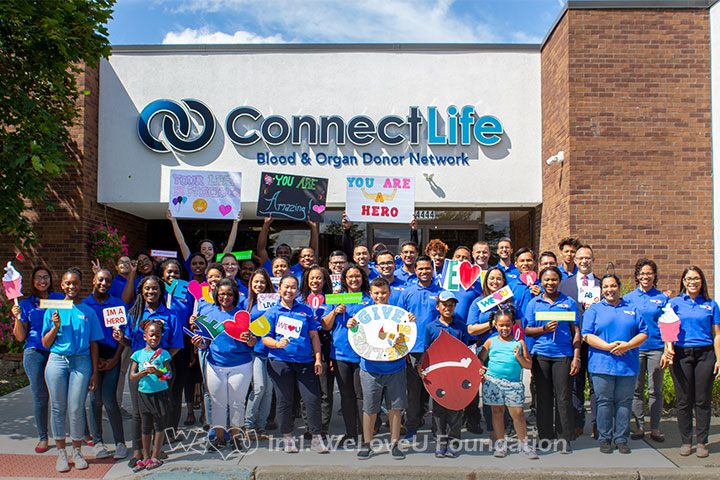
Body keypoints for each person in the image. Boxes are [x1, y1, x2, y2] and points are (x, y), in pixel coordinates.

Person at [113, 275, 182, 468]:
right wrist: (120, 338)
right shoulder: (134, 314)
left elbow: (176, 345)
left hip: (162, 370)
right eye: (147, 289)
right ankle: (138, 451)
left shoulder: (171, 316)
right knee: (138, 412)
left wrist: (161, 360)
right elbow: (129, 342)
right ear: (141, 291)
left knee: (160, 412)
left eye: (155, 289)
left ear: (161, 291)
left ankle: (156, 451)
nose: (151, 292)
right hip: (139, 369)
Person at [41, 268, 103, 472]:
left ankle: (77, 452)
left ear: (81, 285)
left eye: (75, 283)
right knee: (58, 408)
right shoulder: (53, 308)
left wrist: (94, 372)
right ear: (62, 285)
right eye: (68, 283)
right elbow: (46, 342)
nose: (71, 286)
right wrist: (55, 327)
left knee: (76, 408)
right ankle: (61, 453)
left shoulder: (88, 311)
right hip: (57, 360)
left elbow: (94, 343)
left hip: (81, 362)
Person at [262, 274, 328, 454]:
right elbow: (265, 338)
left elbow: (314, 336)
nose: (289, 290)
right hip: (280, 361)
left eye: (293, 287)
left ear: (298, 290)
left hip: (306, 362)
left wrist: (317, 359)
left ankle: (316, 437)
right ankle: (287, 437)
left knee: (312, 399)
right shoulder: (272, 312)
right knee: (285, 400)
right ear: (279, 289)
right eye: (286, 287)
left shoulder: (306, 311)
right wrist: (276, 344)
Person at [582, 274, 647, 454]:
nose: (609, 290)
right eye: (606, 287)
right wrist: (607, 346)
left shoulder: (632, 308)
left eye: (613, 286)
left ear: (619, 287)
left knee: (624, 402)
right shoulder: (593, 310)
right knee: (604, 402)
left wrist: (628, 345)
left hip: (627, 364)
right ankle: (605, 438)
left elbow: (643, 333)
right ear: (601, 289)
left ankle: (621, 438)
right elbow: (586, 335)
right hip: (602, 365)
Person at [191, 279, 255, 451]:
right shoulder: (209, 313)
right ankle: (219, 438)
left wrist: (251, 339)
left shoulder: (243, 314)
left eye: (229, 294)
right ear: (216, 295)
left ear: (234, 296)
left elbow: (253, 342)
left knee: (237, 403)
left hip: (241, 365)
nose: (225, 297)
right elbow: (205, 343)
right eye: (221, 294)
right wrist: (199, 343)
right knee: (217, 402)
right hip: (215, 364)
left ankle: (236, 438)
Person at [352, 277, 413, 460]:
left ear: (390, 293)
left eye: (384, 292)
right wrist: (351, 326)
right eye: (376, 293)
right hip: (370, 368)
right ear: (371, 294)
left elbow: (407, 335)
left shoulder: (400, 314)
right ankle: (367, 444)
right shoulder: (363, 313)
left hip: (395, 367)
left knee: (396, 408)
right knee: (370, 408)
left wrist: (410, 321)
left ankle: (394, 444)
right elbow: (356, 336)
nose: (380, 296)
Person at [664, 266, 720, 458]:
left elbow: (717, 335)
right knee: (683, 400)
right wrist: (668, 347)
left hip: (705, 354)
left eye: (696, 278)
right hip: (681, 354)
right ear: (683, 282)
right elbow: (668, 328)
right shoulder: (675, 303)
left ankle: (702, 442)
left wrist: (719, 358)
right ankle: (686, 441)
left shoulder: (711, 305)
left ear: (701, 281)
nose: (692, 282)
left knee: (702, 400)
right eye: (689, 279)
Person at [524, 266, 581, 452]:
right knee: (543, 398)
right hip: (541, 356)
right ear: (541, 282)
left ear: (559, 281)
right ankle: (545, 437)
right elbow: (527, 330)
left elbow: (576, 332)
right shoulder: (534, 303)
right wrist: (543, 330)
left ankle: (565, 438)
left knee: (563, 398)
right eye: (546, 280)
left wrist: (576, 356)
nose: (550, 283)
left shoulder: (569, 302)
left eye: (554, 279)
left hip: (563, 355)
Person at [11, 266, 64, 454]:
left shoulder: (59, 298)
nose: (43, 280)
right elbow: (19, 337)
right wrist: (17, 318)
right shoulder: (26, 304)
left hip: (58, 351)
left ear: (51, 279)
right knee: (41, 397)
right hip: (35, 353)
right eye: (38, 278)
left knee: (63, 395)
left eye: (46, 277)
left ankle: (74, 434)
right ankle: (43, 436)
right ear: (32, 282)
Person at [466, 267, 521, 438]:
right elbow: (471, 329)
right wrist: (491, 324)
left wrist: (520, 346)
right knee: (491, 392)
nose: (495, 282)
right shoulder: (478, 302)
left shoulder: (511, 302)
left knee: (507, 389)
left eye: (499, 279)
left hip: (508, 351)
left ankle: (506, 427)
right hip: (486, 350)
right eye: (491, 278)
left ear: (504, 282)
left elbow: (518, 326)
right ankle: (493, 430)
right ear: (486, 281)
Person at [477, 307, 537, 459]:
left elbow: (528, 365)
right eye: (501, 325)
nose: (505, 328)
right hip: (493, 382)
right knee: (497, 413)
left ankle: (524, 444)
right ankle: (500, 443)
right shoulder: (490, 342)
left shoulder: (519, 342)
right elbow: (480, 359)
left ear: (513, 325)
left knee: (517, 414)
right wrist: (481, 370)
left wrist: (518, 356)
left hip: (513, 384)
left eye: (508, 325)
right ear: (495, 325)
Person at [322, 264, 371, 445]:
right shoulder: (337, 298)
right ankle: (351, 433)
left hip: (363, 354)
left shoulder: (369, 297)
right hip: (341, 354)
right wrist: (335, 311)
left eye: (357, 276)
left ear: (362, 278)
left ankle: (363, 433)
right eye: (350, 276)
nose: (354, 279)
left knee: (360, 396)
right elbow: (326, 325)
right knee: (347, 396)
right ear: (344, 280)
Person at [81, 270, 128, 460]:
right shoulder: (84, 305)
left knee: (109, 400)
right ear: (93, 280)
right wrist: (95, 361)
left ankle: (120, 442)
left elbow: (122, 338)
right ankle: (98, 442)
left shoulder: (118, 304)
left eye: (108, 281)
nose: (103, 283)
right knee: (94, 400)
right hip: (91, 358)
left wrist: (115, 359)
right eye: (100, 279)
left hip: (111, 357)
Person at [397, 255, 442, 441]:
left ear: (433, 270)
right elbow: (399, 321)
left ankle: (438, 429)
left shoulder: (441, 293)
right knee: (413, 392)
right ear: (415, 271)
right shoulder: (407, 292)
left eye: (427, 268)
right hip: (413, 349)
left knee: (437, 390)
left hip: (436, 349)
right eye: (420, 269)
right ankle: (412, 427)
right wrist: (403, 349)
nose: (424, 272)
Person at [623, 259, 668, 443]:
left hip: (656, 348)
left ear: (655, 275)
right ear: (637, 276)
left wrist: (667, 349)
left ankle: (655, 428)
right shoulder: (628, 298)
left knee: (655, 390)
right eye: (642, 273)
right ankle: (639, 426)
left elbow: (668, 325)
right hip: (635, 349)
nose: (645, 277)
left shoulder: (663, 298)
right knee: (636, 389)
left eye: (649, 273)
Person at [421, 291, 469, 458]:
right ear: (438, 307)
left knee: (455, 409)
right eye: (445, 305)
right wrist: (424, 370)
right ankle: (441, 442)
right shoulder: (431, 327)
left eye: (451, 305)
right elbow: (427, 351)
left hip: (456, 376)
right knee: (439, 411)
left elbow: (466, 351)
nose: (448, 308)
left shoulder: (461, 326)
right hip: (438, 376)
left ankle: (454, 442)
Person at [559, 244, 598, 438]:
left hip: (598, 343)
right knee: (575, 384)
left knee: (597, 383)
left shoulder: (602, 284)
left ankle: (597, 424)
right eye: (580, 258)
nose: (584, 261)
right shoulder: (564, 285)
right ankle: (577, 422)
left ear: (593, 260)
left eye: (587, 258)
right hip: (573, 341)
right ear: (575, 260)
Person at [129, 320, 172, 472]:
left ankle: (155, 456)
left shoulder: (164, 354)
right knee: (145, 425)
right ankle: (145, 456)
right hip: (144, 394)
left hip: (160, 394)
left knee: (159, 425)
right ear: (145, 337)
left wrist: (158, 372)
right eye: (151, 335)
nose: (154, 338)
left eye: (158, 336)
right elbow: (132, 376)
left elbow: (169, 375)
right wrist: (140, 374)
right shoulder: (138, 355)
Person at [300, 265, 334, 435]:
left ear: (325, 280)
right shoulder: (300, 300)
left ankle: (323, 425)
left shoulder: (332, 300)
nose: (315, 281)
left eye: (319, 278)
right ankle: (309, 425)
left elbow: (328, 326)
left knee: (325, 389)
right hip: (304, 346)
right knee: (306, 389)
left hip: (324, 344)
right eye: (312, 278)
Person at [242, 269, 277, 438]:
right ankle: (248, 425)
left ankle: (261, 426)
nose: (259, 285)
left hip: (272, 351)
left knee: (269, 391)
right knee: (259, 388)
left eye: (262, 282)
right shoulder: (246, 302)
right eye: (255, 282)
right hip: (254, 352)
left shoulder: (275, 301)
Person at [167, 207, 241, 271]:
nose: (207, 251)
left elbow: (230, 245)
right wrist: (173, 221)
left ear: (214, 251)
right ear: (199, 252)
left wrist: (235, 223)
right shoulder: (192, 263)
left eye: (209, 249)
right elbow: (181, 243)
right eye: (203, 249)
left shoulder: (219, 264)